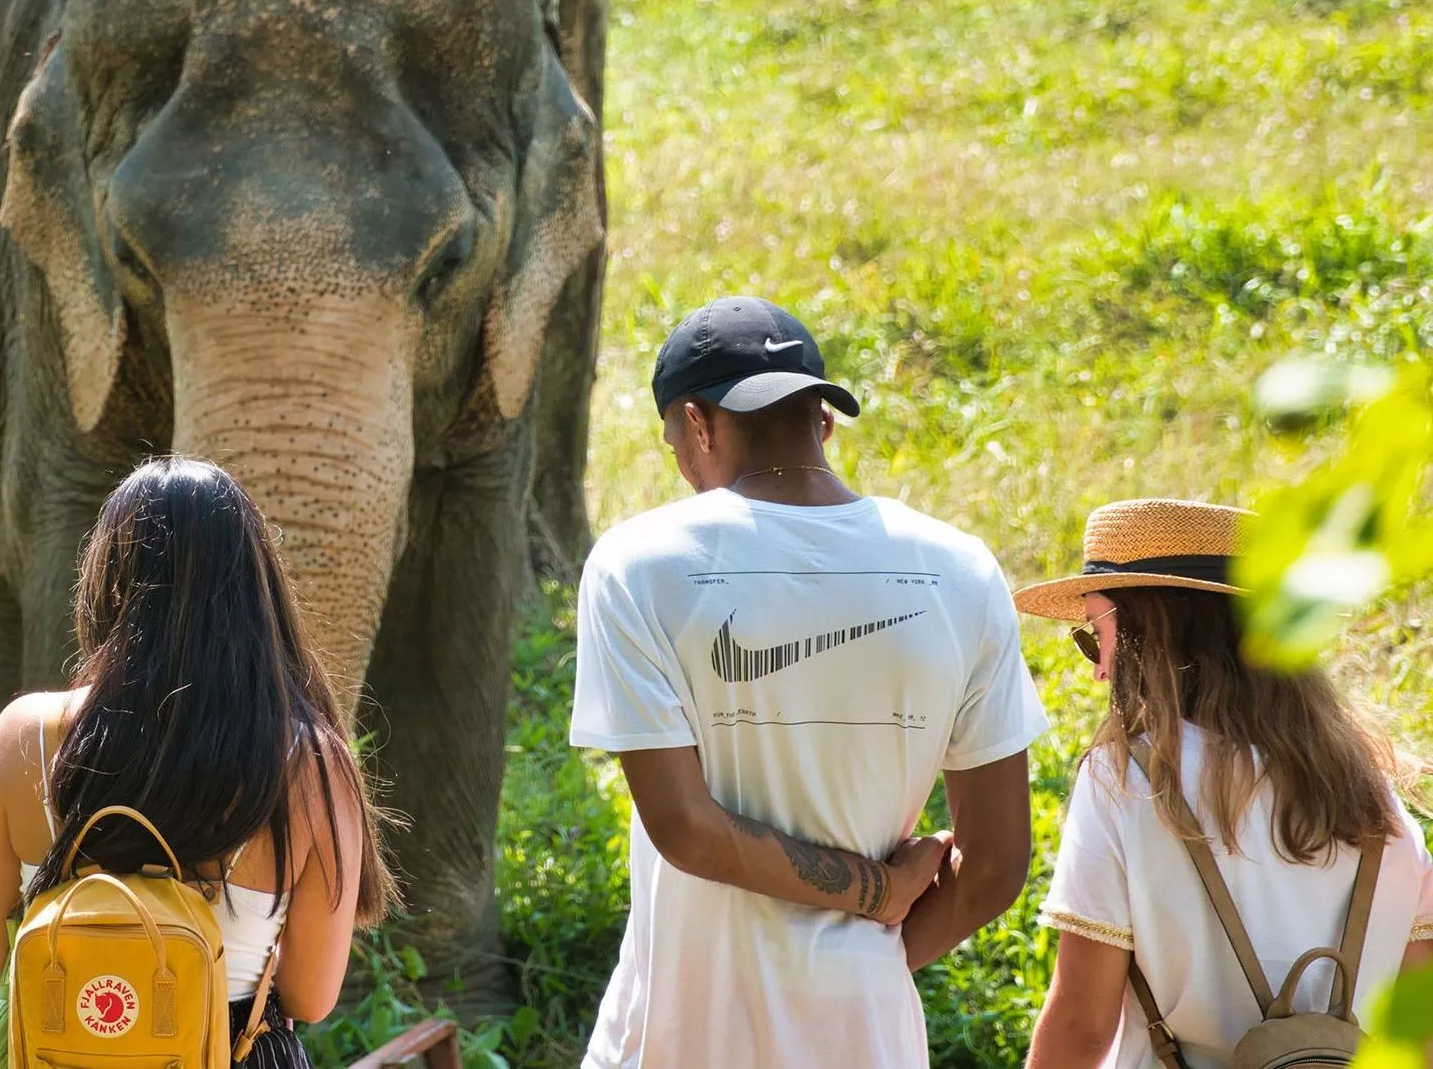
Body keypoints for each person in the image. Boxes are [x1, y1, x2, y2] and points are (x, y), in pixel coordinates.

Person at [570, 296, 1050, 1068]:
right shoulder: (958, 570)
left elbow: (687, 828)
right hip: (867, 1035)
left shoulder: (641, 564)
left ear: (697, 423)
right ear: (823, 421)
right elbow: (994, 864)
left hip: (677, 1033)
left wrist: (876, 890)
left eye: (675, 445)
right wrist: (875, 934)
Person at [0, 456, 395, 1069]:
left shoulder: (23, 734)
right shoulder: (308, 762)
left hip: (59, 1045)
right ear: (255, 592)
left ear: (110, 583)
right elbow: (311, 997)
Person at [1018, 499, 1433, 1069]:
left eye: (1096, 634)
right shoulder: (1374, 787)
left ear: (1153, 628)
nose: (1098, 667)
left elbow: (1082, 1028)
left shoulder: (1129, 779)